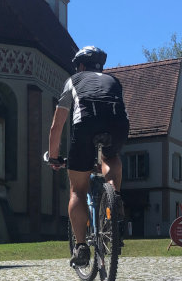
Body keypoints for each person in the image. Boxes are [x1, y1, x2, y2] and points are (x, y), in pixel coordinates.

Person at [46, 45, 129, 267]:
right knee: (110, 158)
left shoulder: (74, 79)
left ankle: (81, 246)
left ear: (81, 65)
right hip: (118, 125)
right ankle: (115, 195)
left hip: (86, 125)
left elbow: (57, 125)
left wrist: (54, 157)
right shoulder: (113, 81)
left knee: (78, 190)